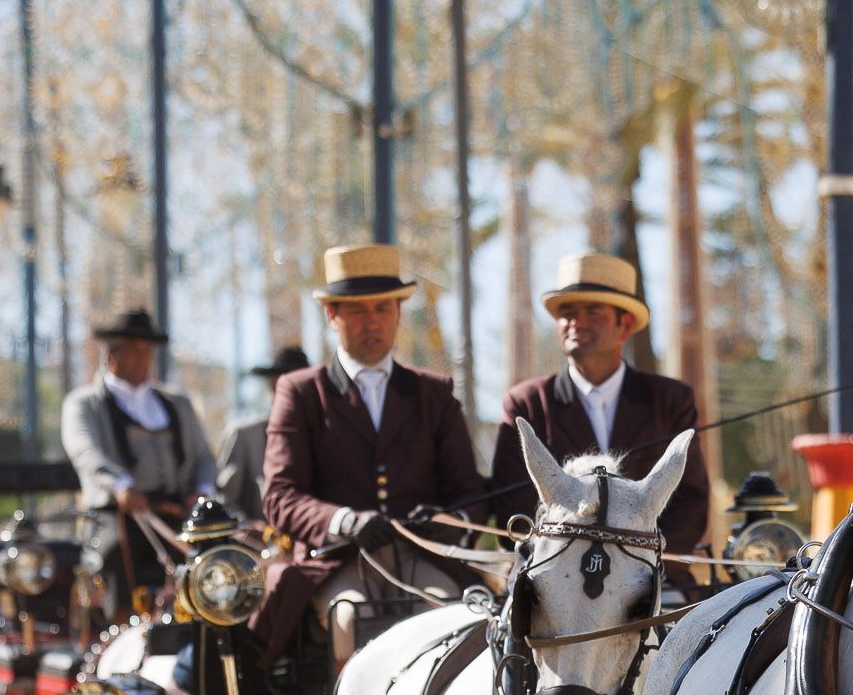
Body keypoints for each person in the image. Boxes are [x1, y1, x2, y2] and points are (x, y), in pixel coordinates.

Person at [259, 245, 484, 663]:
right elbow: (280, 496)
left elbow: (468, 491)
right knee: (350, 622)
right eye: (358, 311)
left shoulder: (435, 393)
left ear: (398, 313)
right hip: (338, 560)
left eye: (383, 308)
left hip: (421, 555)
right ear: (332, 316)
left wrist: (450, 523)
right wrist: (345, 521)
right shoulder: (301, 392)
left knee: (450, 617)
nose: (372, 321)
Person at [485, 251, 712, 564]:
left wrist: (646, 564)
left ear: (626, 324)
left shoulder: (672, 400)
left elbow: (691, 501)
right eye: (567, 312)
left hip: (654, 575)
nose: (577, 322)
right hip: (555, 577)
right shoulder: (525, 404)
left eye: (594, 312)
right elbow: (512, 503)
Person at [61, 306, 219, 609]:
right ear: (112, 355)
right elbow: (86, 452)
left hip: (178, 512)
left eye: (147, 352)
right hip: (116, 514)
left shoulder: (177, 404)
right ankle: (118, 627)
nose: (143, 360)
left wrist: (202, 492)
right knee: (115, 553)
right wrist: (120, 485)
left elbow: (204, 458)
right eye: (135, 351)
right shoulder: (84, 404)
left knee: (219, 555)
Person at [218, 346, 309, 522]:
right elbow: (225, 501)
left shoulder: (324, 436)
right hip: (259, 546)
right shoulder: (244, 436)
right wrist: (248, 527)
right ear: (273, 387)